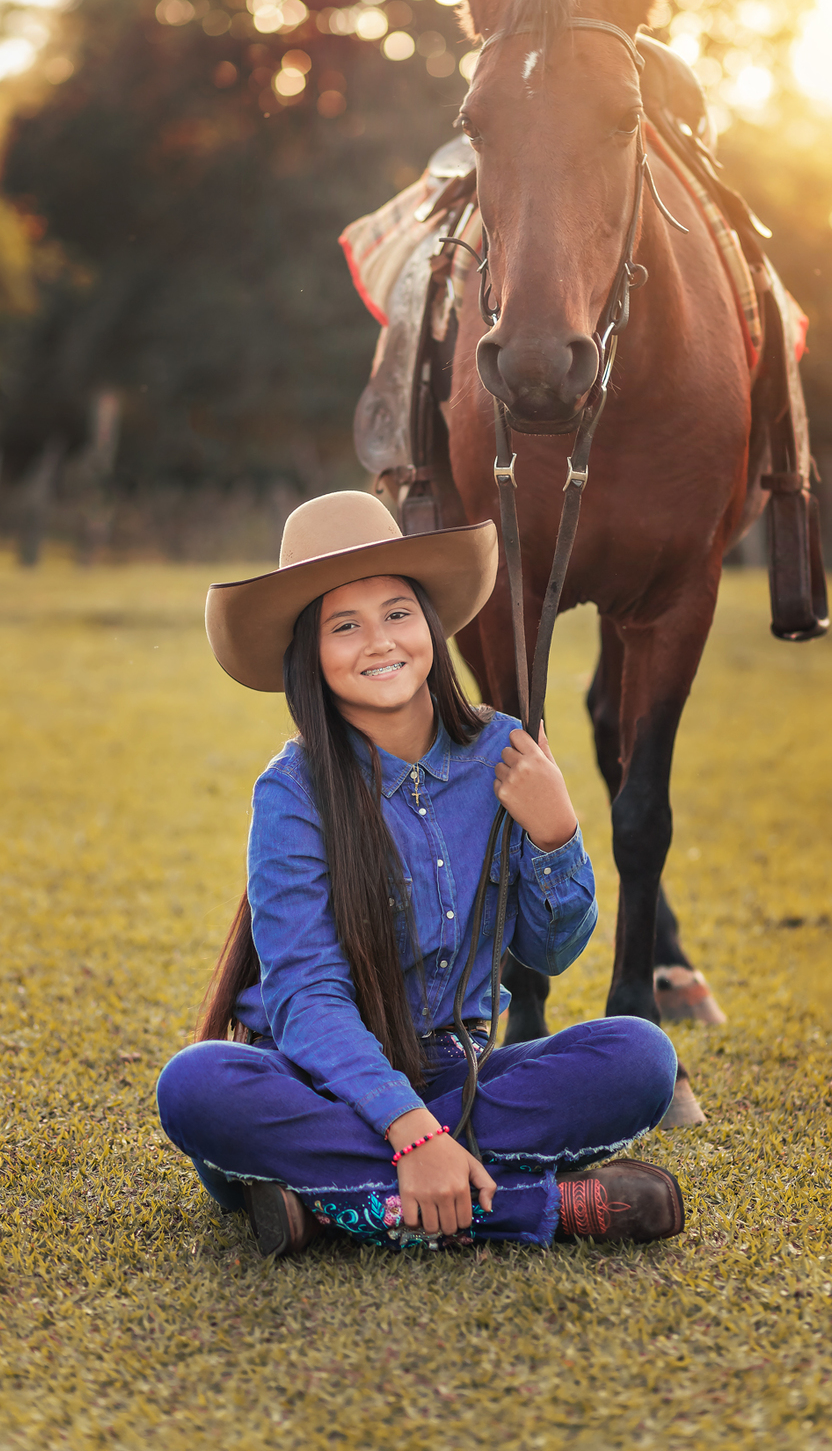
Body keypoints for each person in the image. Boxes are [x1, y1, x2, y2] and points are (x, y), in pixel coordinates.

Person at [156, 491, 685, 1256]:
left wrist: (556, 832)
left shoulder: (504, 752)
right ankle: (529, 1207)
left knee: (641, 1058)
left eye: (397, 613)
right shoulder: (293, 790)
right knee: (197, 1086)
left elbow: (552, 952)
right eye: (345, 625)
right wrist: (410, 1132)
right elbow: (305, 998)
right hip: (320, 1084)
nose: (380, 641)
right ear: (310, 654)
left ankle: (334, 1203)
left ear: (430, 624)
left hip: (455, 1076)